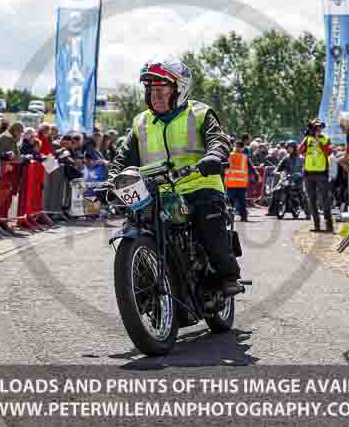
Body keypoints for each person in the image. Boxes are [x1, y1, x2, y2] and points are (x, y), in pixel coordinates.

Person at [104, 57, 242, 296]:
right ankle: (142, 285)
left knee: (208, 226)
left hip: (198, 184)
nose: (155, 96)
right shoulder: (141, 122)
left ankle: (227, 275)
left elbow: (218, 141)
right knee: (134, 223)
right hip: (156, 191)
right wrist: (111, 180)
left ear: (179, 89)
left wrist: (214, 156)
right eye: (150, 90)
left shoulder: (199, 113)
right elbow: (123, 159)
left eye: (161, 90)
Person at [300, 118, 333, 232]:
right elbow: (300, 151)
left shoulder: (326, 139)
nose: (318, 130)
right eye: (316, 128)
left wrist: (319, 143)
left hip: (322, 173)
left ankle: (329, 225)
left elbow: (329, 152)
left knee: (324, 199)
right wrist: (307, 143)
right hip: (308, 173)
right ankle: (316, 225)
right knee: (312, 200)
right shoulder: (307, 139)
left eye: (320, 128)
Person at [267, 140, 305, 218]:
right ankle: (272, 211)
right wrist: (275, 171)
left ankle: (307, 212)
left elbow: (305, 168)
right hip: (287, 178)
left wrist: (302, 174)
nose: (288, 149)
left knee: (302, 194)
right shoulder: (286, 158)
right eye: (287, 148)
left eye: (290, 148)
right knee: (276, 190)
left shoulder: (301, 158)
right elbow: (279, 166)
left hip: (298, 179)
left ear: (294, 148)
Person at [225, 140, 256, 222]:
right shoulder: (243, 157)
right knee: (241, 202)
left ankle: (229, 218)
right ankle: (242, 217)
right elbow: (251, 167)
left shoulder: (229, 156)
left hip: (231, 184)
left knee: (231, 202)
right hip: (239, 184)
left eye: (238, 147)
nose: (237, 148)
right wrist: (256, 174)